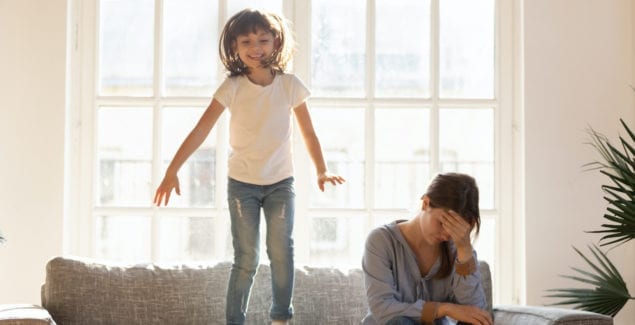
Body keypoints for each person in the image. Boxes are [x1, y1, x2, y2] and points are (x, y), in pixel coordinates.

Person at [153, 8, 345, 325]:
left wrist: (321, 169)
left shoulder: (289, 86)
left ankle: (281, 318)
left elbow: (308, 132)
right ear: (235, 48)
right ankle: (234, 321)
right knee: (246, 258)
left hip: (281, 183)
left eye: (263, 40)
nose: (256, 48)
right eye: (247, 41)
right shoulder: (233, 87)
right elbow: (200, 130)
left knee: (282, 251)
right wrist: (172, 169)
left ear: (276, 42)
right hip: (242, 184)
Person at [362, 173, 492, 325]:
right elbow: (382, 309)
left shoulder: (457, 247)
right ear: (425, 203)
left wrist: (464, 250)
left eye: (455, 228)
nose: (446, 234)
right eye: (443, 222)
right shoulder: (381, 241)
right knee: (400, 322)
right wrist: (445, 309)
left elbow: (476, 313)